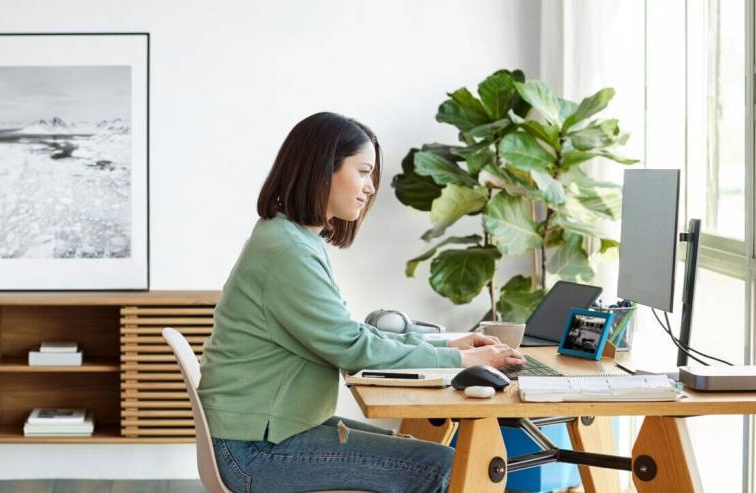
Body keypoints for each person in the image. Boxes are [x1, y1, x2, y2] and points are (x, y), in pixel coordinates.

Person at [197, 112, 526, 493]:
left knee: (430, 456)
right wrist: (463, 361)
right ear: (324, 169)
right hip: (255, 450)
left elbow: (348, 334)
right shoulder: (288, 251)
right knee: (447, 467)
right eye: (363, 171)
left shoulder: (290, 239)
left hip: (266, 431)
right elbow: (352, 348)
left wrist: (447, 345)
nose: (370, 187)